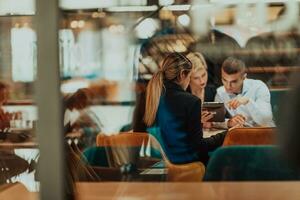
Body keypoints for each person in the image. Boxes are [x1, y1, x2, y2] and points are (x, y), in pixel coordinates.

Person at [144, 52, 226, 165]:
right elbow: (199, 147)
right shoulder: (191, 101)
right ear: (183, 74)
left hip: (154, 165)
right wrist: (225, 135)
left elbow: (140, 134)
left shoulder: (148, 95)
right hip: (185, 167)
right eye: (191, 77)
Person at [215, 57, 275, 128]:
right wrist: (229, 122)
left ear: (244, 77)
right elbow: (215, 121)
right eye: (224, 80)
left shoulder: (259, 87)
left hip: (265, 133)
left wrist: (248, 102)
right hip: (241, 134)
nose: (228, 86)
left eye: (234, 81)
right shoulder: (220, 92)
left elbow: (265, 120)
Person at [186, 52, 217, 128]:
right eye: (196, 78)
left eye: (203, 75)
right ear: (188, 78)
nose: (202, 81)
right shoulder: (182, 95)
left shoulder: (213, 91)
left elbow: (219, 119)